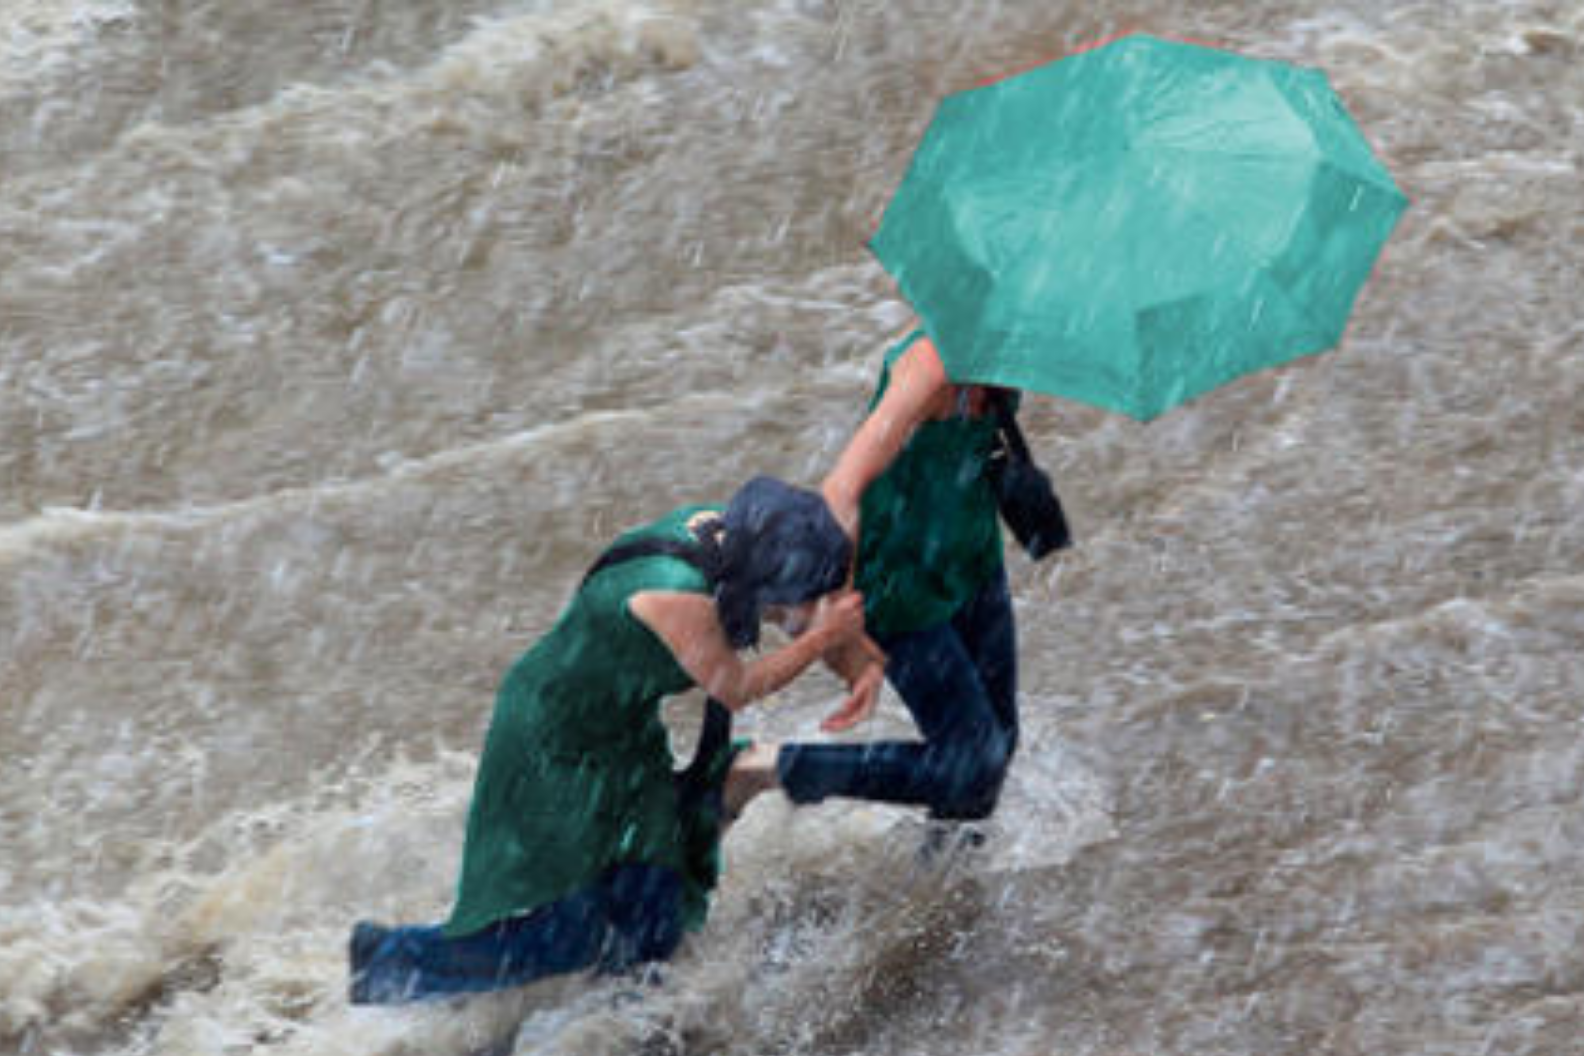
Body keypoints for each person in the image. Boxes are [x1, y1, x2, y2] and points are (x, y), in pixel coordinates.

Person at [349, 476, 868, 1004]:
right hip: (552, 741)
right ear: (770, 580)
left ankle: (618, 1022)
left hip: (619, 727)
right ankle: (387, 962)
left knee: (653, 905)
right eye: (806, 598)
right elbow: (736, 686)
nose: (810, 609)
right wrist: (826, 639)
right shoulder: (674, 591)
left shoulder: (744, 537)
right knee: (567, 931)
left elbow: (812, 610)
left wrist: (859, 668)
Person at [729, 326, 1021, 827]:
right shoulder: (927, 371)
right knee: (973, 765)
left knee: (993, 750)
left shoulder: (1009, 352)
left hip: (971, 561)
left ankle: (946, 895)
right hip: (898, 587)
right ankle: (759, 768)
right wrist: (842, 626)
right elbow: (841, 492)